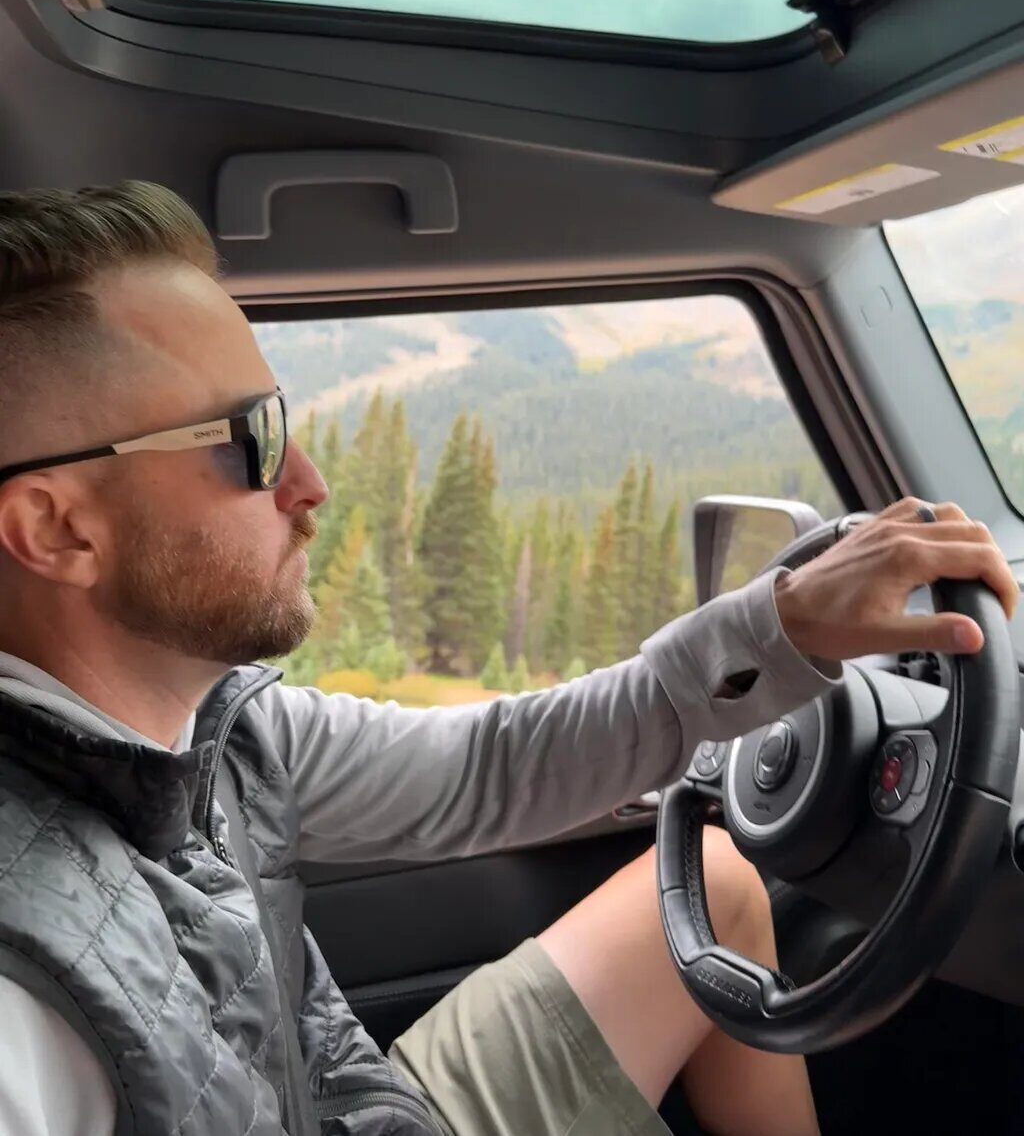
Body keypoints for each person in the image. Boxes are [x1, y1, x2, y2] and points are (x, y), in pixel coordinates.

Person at [0, 182, 1014, 1136]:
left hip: (351, 1103)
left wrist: (781, 626)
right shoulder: (22, 1000)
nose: (309, 483)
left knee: (720, 881)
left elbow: (492, 764)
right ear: (57, 530)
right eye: (249, 439)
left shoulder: (223, 729)